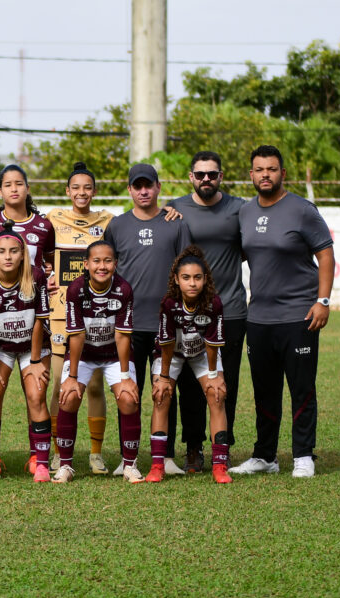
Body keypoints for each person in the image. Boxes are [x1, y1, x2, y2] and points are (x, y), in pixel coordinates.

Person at [231, 145, 334, 478]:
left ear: (282, 173)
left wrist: (323, 301)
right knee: (264, 390)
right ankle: (265, 456)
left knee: (301, 388)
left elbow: (327, 256)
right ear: (251, 175)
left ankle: (303, 455)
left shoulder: (302, 210)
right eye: (259, 169)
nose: (265, 175)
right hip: (258, 318)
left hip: (298, 317)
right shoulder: (245, 212)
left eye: (272, 169)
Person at [102, 163, 195, 476]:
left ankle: (165, 456)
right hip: (126, 326)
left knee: (164, 389)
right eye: (137, 186)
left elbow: (188, 272)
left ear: (158, 188)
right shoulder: (117, 226)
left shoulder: (176, 224)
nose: (143, 191)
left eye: (148, 185)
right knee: (127, 390)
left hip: (165, 324)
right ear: (129, 190)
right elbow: (104, 271)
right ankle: (127, 458)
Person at [165, 151, 248, 473]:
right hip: (187, 313)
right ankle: (193, 447)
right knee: (189, 383)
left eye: (212, 174)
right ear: (191, 177)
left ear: (221, 176)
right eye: (200, 175)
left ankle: (222, 447)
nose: (206, 180)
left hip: (231, 310)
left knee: (227, 383)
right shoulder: (175, 209)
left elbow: (245, 249)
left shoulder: (240, 209)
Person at [0, 163, 54, 473]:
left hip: (32, 318)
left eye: (19, 183)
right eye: (7, 184)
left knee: (36, 391)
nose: (13, 189)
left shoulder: (44, 227)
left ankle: (40, 458)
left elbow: (51, 264)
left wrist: (36, 358)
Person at [45, 163, 114, 475]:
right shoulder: (53, 220)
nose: (82, 193)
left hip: (97, 315)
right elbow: (34, 250)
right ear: (67, 191)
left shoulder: (108, 221)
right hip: (61, 315)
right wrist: (43, 273)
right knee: (62, 386)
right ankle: (60, 452)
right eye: (76, 187)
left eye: (88, 187)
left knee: (96, 386)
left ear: (94, 191)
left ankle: (96, 453)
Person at [56, 241, 143, 484]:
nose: (102, 266)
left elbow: (122, 335)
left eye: (107, 261)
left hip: (114, 355)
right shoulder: (76, 290)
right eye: (96, 261)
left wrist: (125, 376)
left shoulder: (123, 289)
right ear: (86, 264)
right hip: (83, 354)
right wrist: (72, 377)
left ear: (115, 264)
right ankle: (65, 465)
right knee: (69, 397)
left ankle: (129, 465)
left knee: (128, 398)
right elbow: (77, 335)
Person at [147, 247, 231, 484]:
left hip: (203, 353)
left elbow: (213, 343)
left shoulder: (213, 303)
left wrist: (214, 375)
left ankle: (219, 466)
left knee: (216, 394)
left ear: (205, 279)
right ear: (176, 279)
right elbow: (166, 343)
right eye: (186, 277)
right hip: (170, 354)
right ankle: (157, 465)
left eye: (197, 277)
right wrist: (163, 377)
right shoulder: (169, 302)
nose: (192, 283)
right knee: (161, 395)